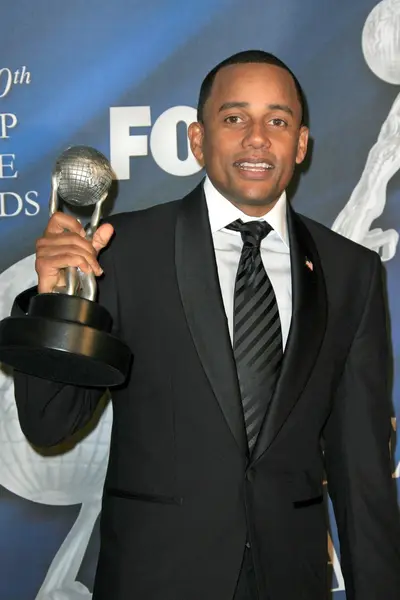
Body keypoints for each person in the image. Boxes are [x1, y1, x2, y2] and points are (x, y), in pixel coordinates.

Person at [12, 50, 400, 600]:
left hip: (293, 581)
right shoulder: (121, 252)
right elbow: (50, 424)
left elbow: (362, 472)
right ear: (198, 140)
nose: (258, 138)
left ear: (302, 144)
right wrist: (57, 298)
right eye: (235, 117)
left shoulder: (350, 271)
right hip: (155, 579)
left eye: (279, 120)